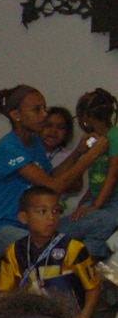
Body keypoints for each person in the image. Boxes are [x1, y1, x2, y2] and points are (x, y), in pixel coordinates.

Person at [0, 84, 105, 260]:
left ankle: (87, 268)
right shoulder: (7, 147)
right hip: (1, 229)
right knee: (48, 249)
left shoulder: (35, 142)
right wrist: (90, 156)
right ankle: (73, 267)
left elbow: (50, 177)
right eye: (37, 110)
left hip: (37, 227)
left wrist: (79, 152)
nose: (44, 115)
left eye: (44, 108)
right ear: (16, 115)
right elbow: (53, 187)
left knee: (101, 221)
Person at [0, 186, 100, 318]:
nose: (51, 217)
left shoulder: (73, 248)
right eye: (42, 212)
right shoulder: (15, 250)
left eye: (55, 211)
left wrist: (84, 316)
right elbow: (4, 292)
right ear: (24, 217)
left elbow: (93, 287)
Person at [59, 88, 118, 253]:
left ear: (85, 117)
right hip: (98, 198)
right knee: (75, 223)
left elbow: (112, 175)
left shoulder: (114, 136)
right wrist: (84, 203)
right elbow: (95, 179)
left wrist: (95, 206)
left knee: (103, 225)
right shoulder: (95, 141)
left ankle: (83, 260)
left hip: (113, 202)